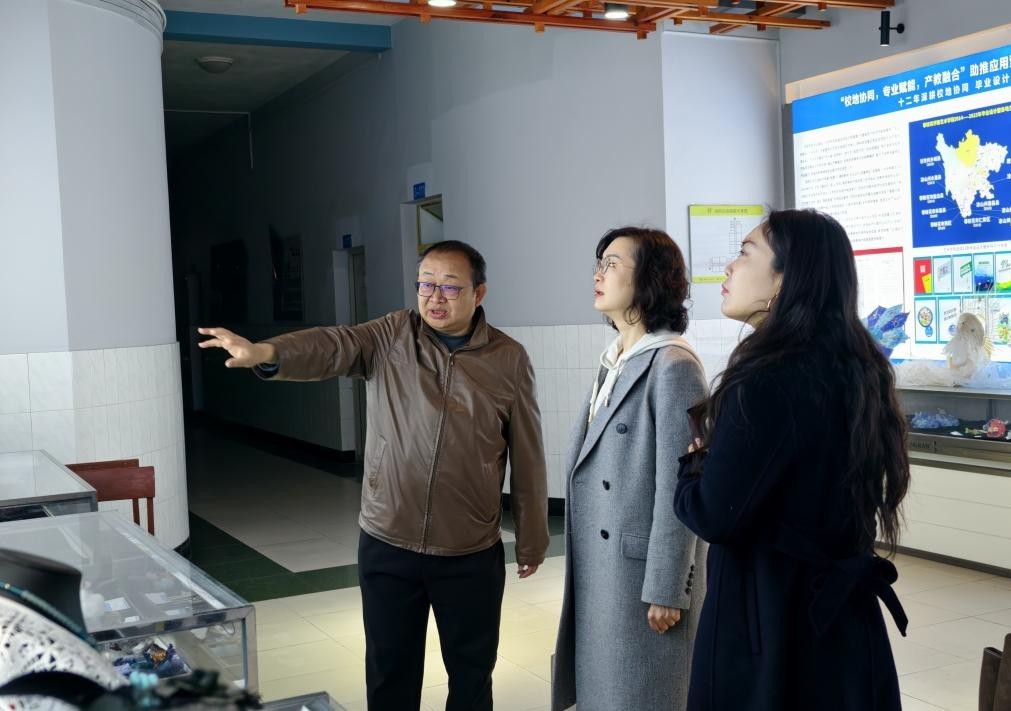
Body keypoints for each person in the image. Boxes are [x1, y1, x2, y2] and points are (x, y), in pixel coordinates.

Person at [198, 240, 549, 711]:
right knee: (389, 675)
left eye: (450, 287)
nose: (435, 297)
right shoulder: (391, 335)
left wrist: (532, 539)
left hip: (468, 549)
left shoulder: (509, 358)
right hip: (388, 541)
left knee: (471, 677)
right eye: (426, 284)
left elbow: (528, 453)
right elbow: (331, 345)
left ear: (478, 293)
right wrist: (265, 351)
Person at [674, 209, 910, 711]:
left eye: (745, 253)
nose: (728, 268)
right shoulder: (860, 370)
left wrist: (693, 467)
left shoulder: (764, 381)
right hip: (845, 627)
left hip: (774, 631)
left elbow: (715, 515)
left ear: (785, 278)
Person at [552, 227, 708, 711]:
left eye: (612, 264)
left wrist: (668, 587)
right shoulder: (616, 359)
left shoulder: (673, 366)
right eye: (599, 264)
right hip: (606, 571)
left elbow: (678, 487)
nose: (598, 274)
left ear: (650, 279)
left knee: (642, 695)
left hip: (641, 583)